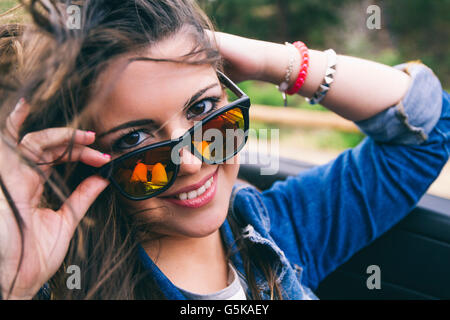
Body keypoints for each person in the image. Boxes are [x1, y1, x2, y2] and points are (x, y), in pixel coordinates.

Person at [0, 0, 448, 300]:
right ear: (82, 158)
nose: (193, 162)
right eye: (134, 139)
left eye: (203, 107)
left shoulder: (277, 232)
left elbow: (427, 128)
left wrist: (275, 62)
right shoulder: (62, 284)